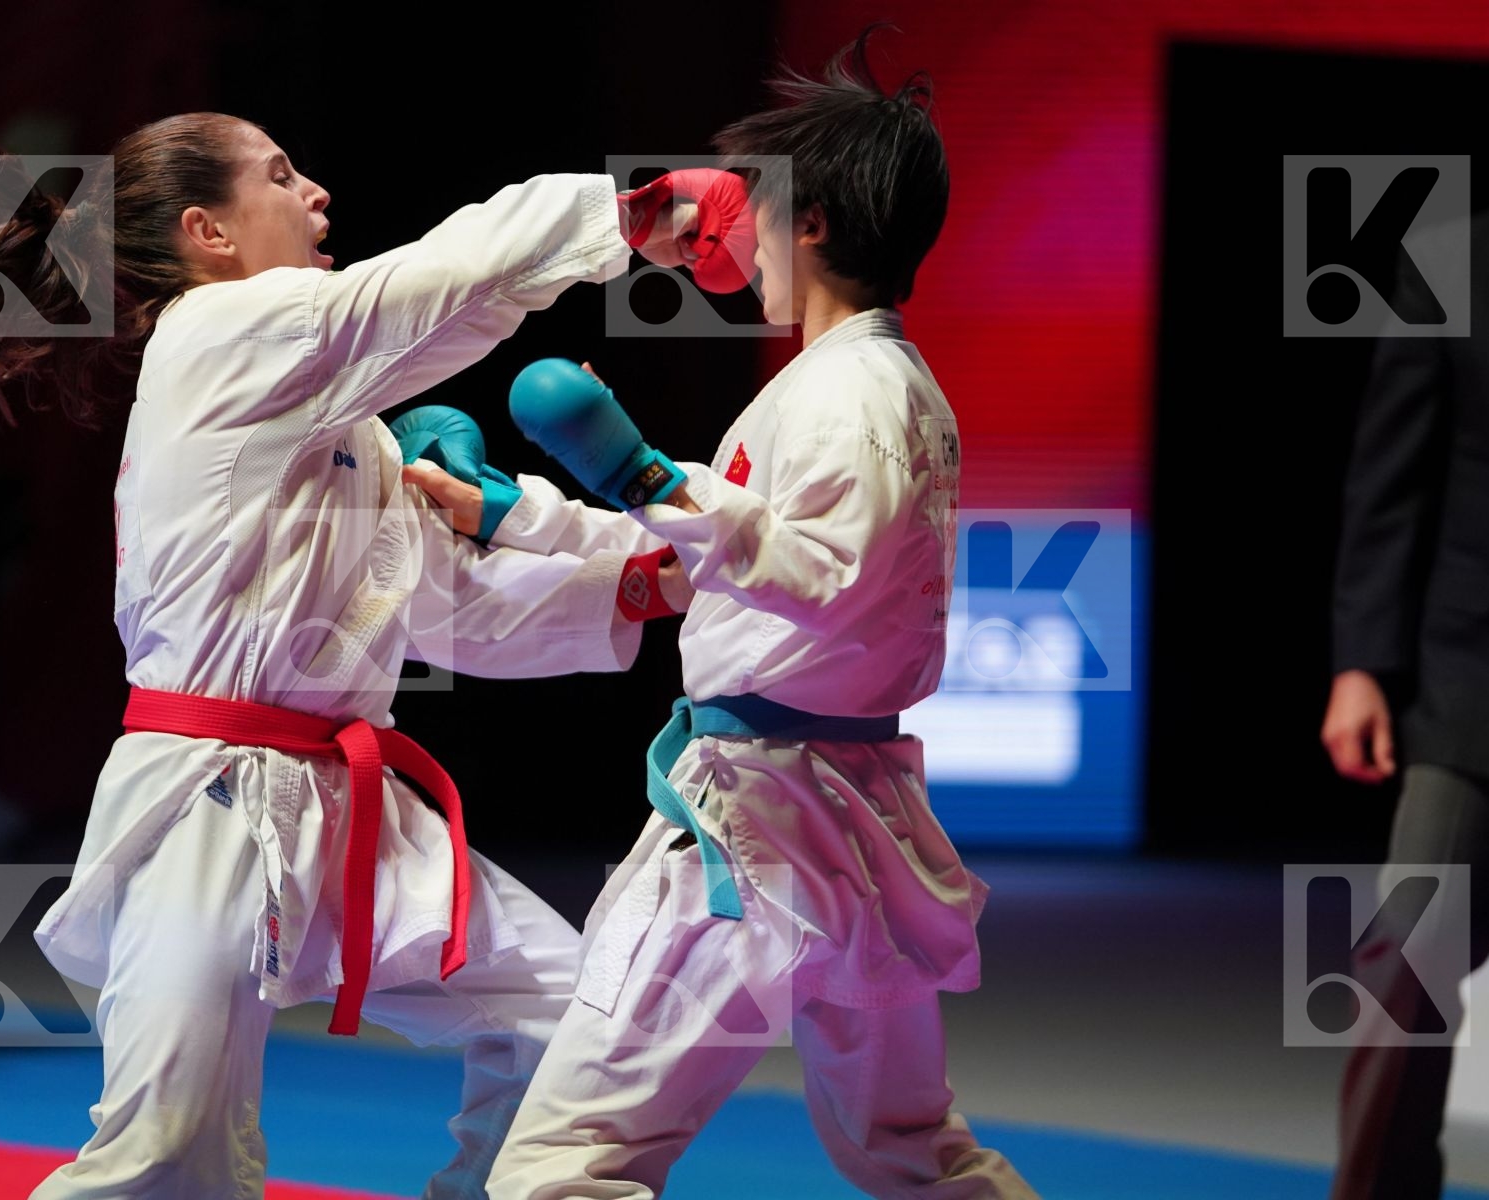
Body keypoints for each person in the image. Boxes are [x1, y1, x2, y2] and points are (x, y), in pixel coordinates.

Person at [0, 112, 741, 1198]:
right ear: (209, 231)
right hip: (206, 804)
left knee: (572, 1032)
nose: (319, 194)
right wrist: (628, 215)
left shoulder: (340, 418)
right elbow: (445, 282)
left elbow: (432, 606)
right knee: (165, 1161)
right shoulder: (222, 336)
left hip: (350, 809)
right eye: (282, 175)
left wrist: (629, 583)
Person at [408, 27, 1041, 1199]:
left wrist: (647, 475)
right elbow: (717, 557)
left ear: (811, 222)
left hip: (763, 814)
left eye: (762, 204)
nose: (734, 233)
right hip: (849, 816)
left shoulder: (854, 391)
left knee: (564, 1164)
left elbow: (818, 572)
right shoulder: (858, 382)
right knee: (912, 1149)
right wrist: (513, 512)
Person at [1320, 9, 1489, 1197]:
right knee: (1402, 964)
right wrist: (1360, 663)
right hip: (1475, 678)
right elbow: (1390, 485)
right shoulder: (1452, 258)